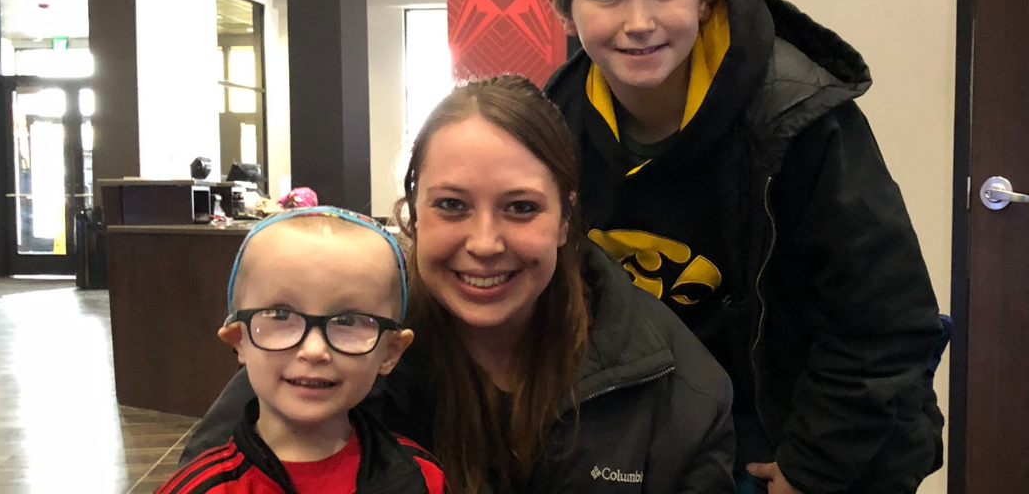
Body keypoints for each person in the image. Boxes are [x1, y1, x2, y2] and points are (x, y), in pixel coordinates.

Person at [536, 0, 947, 494]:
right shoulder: (551, 125)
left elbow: (887, 322)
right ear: (564, 9)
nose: (639, 21)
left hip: (801, 431)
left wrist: (815, 470)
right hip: (656, 426)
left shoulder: (801, 115)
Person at [182, 77, 735, 494]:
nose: (485, 242)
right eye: (452, 206)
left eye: (520, 208)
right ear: (413, 215)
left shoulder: (675, 389)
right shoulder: (334, 345)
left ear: (566, 220)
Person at [154, 207, 448, 494]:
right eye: (280, 316)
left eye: (347, 321)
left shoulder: (423, 479)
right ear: (239, 339)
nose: (314, 350)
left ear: (390, 351)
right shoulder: (199, 488)